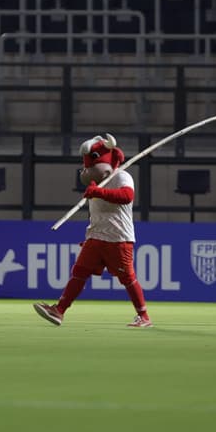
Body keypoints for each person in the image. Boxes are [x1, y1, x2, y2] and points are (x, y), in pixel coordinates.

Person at [33, 133, 152, 328]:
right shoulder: (94, 183)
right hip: (95, 236)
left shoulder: (122, 176)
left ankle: (144, 316)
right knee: (79, 272)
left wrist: (98, 192)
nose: (87, 171)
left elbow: (126, 196)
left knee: (128, 278)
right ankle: (59, 310)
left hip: (118, 238)